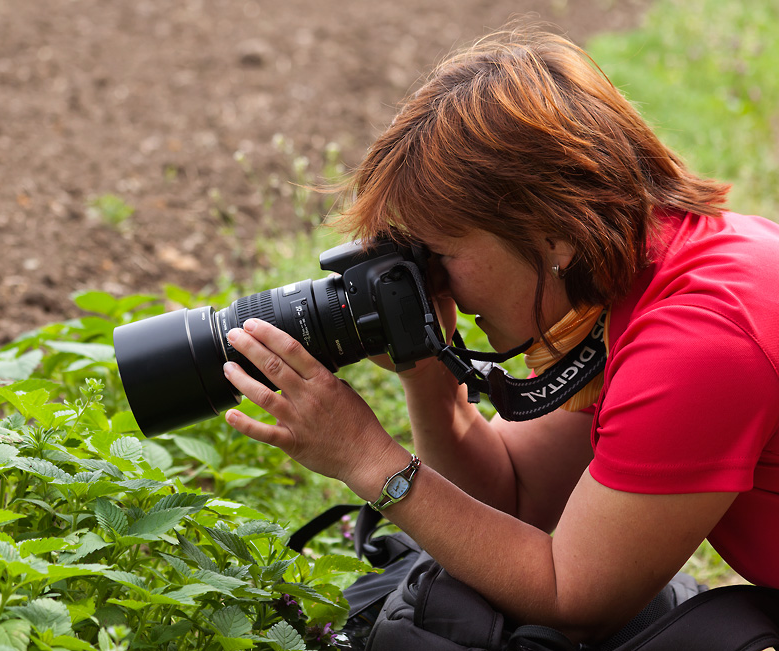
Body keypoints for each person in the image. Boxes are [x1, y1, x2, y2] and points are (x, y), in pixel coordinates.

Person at [219, 24, 779, 643]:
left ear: (550, 229)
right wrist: (425, 367)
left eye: (442, 253)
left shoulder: (701, 338)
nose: (436, 279)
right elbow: (517, 498)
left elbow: (572, 592)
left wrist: (365, 458)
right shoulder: (634, 272)